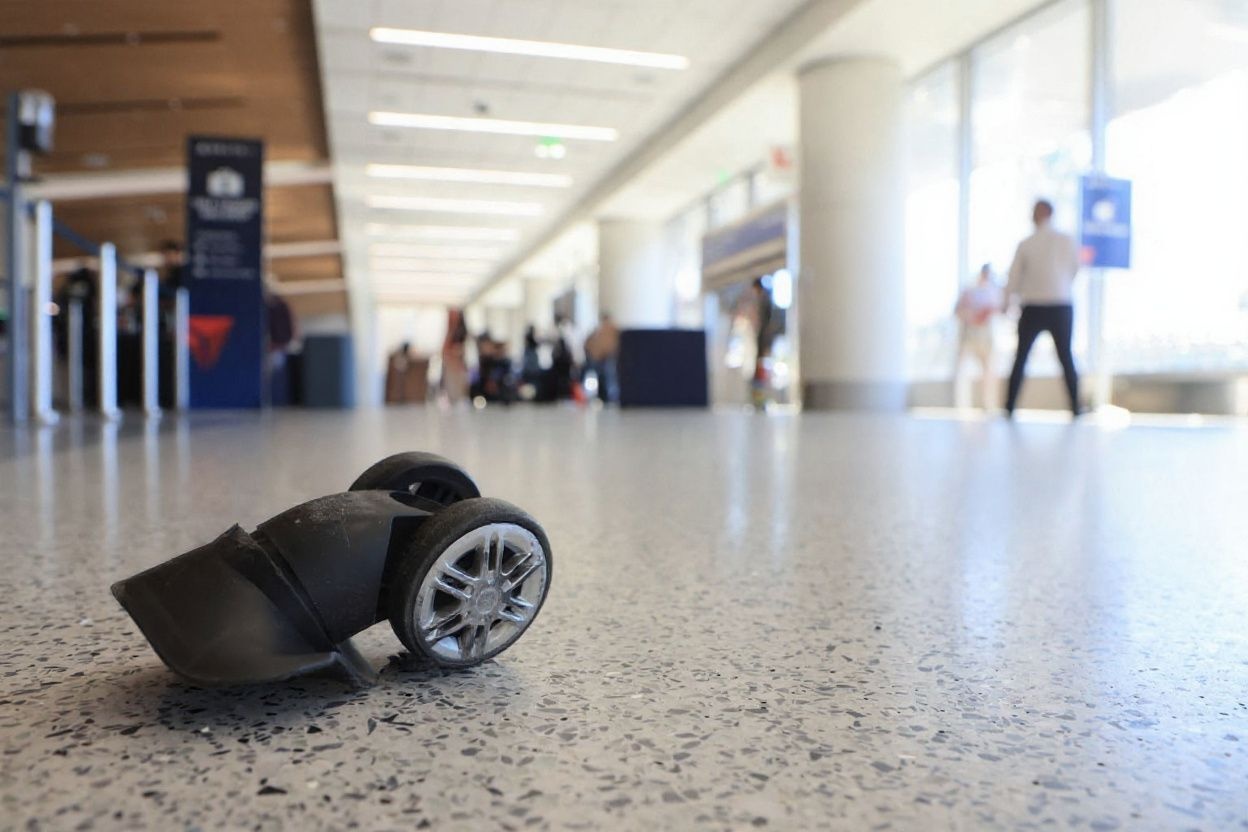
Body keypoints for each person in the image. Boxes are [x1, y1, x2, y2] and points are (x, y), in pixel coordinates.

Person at [1003, 199, 1082, 417]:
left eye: (1035, 210)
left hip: (1044, 305)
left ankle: (1075, 407)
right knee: (1025, 357)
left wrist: (1008, 300)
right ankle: (1009, 406)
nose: (1032, 214)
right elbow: (1075, 269)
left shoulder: (1043, 242)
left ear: (1044, 212)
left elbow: (1014, 278)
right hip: (1050, 305)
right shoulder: (1034, 243)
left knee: (1060, 356)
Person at [953, 264, 1002, 410]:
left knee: (988, 372)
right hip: (968, 337)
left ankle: (988, 405)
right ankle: (961, 405)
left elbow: (999, 310)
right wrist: (973, 317)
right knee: (962, 371)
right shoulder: (968, 291)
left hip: (986, 339)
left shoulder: (994, 293)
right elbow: (957, 312)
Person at [582, 312, 620, 403]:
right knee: (603, 377)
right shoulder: (600, 330)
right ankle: (605, 395)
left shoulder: (608, 330)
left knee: (608, 377)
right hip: (601, 358)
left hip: (607, 357)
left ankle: (609, 396)